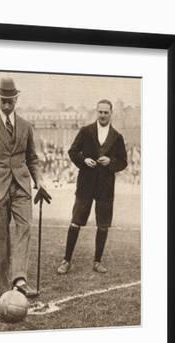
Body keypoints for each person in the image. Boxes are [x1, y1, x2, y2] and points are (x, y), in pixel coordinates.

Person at [0, 77, 50, 300]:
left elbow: (33, 158)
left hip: (22, 187)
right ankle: (3, 288)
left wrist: (39, 181)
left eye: (10, 101)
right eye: (3, 101)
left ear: (16, 98)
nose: (7, 105)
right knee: (1, 238)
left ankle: (19, 279)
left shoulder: (26, 126)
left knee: (24, 228)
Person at [56, 99, 128, 275]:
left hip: (105, 187)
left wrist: (111, 161)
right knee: (75, 221)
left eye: (106, 112)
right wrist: (83, 160)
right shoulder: (86, 131)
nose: (103, 115)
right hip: (86, 184)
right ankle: (66, 260)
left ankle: (97, 261)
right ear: (96, 112)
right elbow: (73, 151)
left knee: (103, 225)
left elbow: (123, 162)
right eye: (100, 112)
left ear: (111, 114)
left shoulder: (117, 137)